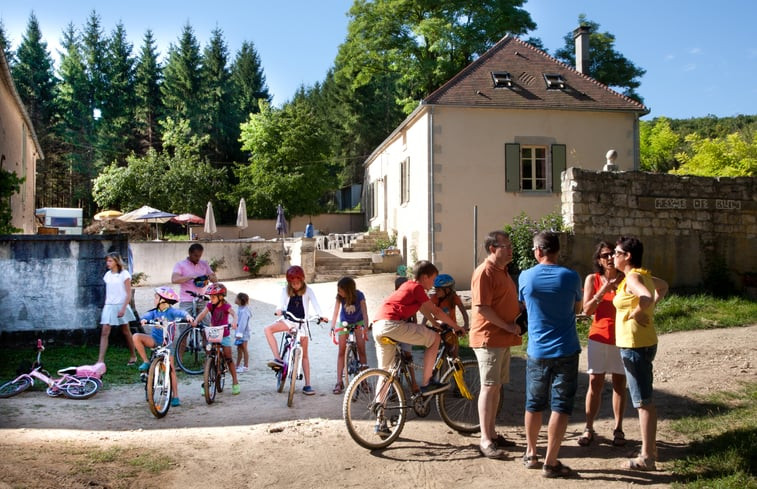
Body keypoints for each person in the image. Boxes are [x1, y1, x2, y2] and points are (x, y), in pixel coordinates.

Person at [518, 232, 582, 478]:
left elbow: (523, 304)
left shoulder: (526, 277)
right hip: (566, 348)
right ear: (557, 250)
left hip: (537, 351)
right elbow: (577, 307)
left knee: (533, 404)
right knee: (561, 406)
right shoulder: (571, 277)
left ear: (537, 251)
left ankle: (531, 453)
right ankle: (551, 461)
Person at [612, 236, 668, 471]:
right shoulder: (639, 275)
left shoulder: (634, 277)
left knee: (642, 401)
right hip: (642, 342)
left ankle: (646, 457)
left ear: (628, 256)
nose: (613, 256)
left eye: (616, 252)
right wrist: (650, 307)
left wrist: (637, 312)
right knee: (643, 398)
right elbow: (663, 286)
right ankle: (650, 450)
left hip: (635, 345)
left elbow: (645, 295)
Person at [372, 260, 465, 396]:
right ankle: (427, 383)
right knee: (435, 339)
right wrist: (457, 327)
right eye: (433, 279)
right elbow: (436, 311)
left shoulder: (407, 286)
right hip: (392, 325)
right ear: (425, 277)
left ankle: (379, 407)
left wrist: (434, 323)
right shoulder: (417, 287)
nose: (433, 284)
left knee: (385, 372)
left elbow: (423, 308)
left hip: (378, 326)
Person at [469, 231, 523, 459]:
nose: (511, 250)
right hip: (488, 338)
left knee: (496, 387)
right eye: (507, 246)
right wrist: (508, 326)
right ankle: (485, 439)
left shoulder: (502, 271)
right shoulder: (485, 272)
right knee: (489, 387)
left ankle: (492, 433)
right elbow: (482, 307)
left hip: (501, 339)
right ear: (493, 248)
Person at [578, 241, 627, 448]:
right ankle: (589, 428)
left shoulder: (627, 279)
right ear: (598, 259)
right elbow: (586, 311)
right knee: (594, 383)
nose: (608, 258)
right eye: (604, 255)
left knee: (619, 384)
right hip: (598, 337)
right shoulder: (593, 279)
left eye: (612, 254)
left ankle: (618, 428)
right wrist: (603, 290)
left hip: (623, 337)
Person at [264, 266, 328, 396]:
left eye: (297, 282)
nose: (295, 285)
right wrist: (278, 310)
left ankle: (307, 384)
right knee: (268, 329)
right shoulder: (285, 290)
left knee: (304, 355)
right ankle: (278, 359)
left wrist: (321, 316)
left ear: (302, 280)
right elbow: (280, 305)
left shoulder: (308, 291)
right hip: (288, 321)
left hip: (302, 324)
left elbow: (316, 305)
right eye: (292, 283)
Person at [133, 286, 193, 407]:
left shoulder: (171, 311)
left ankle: (175, 396)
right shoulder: (154, 312)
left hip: (167, 344)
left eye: (156, 297)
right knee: (136, 337)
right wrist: (144, 320)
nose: (154, 299)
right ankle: (146, 361)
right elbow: (146, 315)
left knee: (171, 371)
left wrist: (187, 316)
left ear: (163, 300)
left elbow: (181, 312)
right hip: (155, 341)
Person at [193, 283, 241, 395]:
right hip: (213, 333)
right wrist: (196, 321)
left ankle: (235, 381)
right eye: (210, 297)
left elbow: (234, 314)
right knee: (208, 355)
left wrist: (234, 322)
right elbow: (203, 313)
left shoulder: (226, 306)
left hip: (224, 334)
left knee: (228, 357)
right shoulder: (210, 305)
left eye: (213, 297)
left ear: (221, 297)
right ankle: (206, 382)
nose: (211, 299)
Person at [330, 276, 370, 394]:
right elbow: (336, 312)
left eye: (341, 290)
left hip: (358, 322)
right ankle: (339, 382)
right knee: (341, 351)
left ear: (348, 290)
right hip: (344, 322)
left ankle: (364, 381)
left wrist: (365, 327)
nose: (339, 292)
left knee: (362, 350)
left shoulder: (359, 296)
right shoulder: (339, 298)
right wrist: (333, 326)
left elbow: (364, 312)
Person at [97, 252, 137, 365]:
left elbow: (128, 294)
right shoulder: (107, 275)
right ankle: (100, 360)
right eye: (107, 261)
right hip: (109, 306)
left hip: (121, 305)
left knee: (126, 331)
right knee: (104, 332)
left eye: (110, 261)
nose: (107, 263)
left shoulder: (124, 274)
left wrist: (123, 309)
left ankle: (133, 355)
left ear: (116, 262)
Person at [171, 243, 218, 323]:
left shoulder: (204, 264)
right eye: (195, 255)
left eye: (200, 256)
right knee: (184, 327)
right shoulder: (180, 265)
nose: (198, 258)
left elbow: (215, 279)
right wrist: (191, 277)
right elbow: (174, 279)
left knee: (206, 328)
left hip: (202, 300)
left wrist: (208, 277)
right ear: (189, 253)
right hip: (186, 301)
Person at [235, 293, 252, 373]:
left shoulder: (245, 310)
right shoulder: (240, 308)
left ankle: (245, 366)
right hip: (239, 332)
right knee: (239, 349)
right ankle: (237, 365)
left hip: (243, 333)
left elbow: (243, 323)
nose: (235, 300)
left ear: (240, 300)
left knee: (244, 348)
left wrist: (239, 333)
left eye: (236, 298)